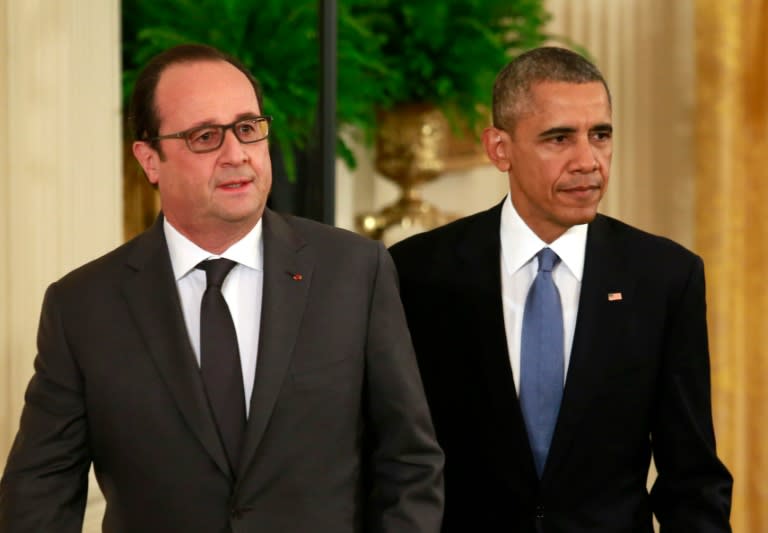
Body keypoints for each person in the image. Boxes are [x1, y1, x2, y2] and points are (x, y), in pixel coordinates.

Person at [0, 44, 444, 532]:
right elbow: (37, 498)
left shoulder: (355, 271)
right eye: (205, 136)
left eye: (248, 129)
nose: (236, 155)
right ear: (150, 160)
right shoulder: (83, 306)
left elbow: (410, 464)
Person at [389, 46, 732, 532]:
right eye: (559, 139)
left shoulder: (664, 277)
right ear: (499, 148)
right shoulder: (416, 272)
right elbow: (391, 458)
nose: (588, 161)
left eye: (600, 135)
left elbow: (691, 477)